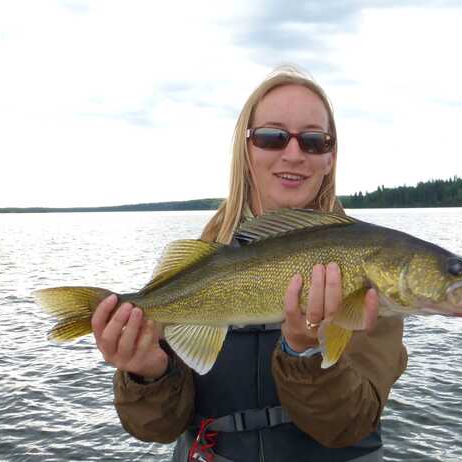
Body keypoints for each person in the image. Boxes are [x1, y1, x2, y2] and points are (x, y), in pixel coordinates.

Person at [91, 66, 408, 461]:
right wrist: (148, 375)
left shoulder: (366, 268)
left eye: (314, 141)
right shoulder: (202, 262)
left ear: (330, 158)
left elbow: (349, 424)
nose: (293, 154)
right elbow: (156, 428)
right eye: (272, 137)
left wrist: (305, 354)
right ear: (247, 149)